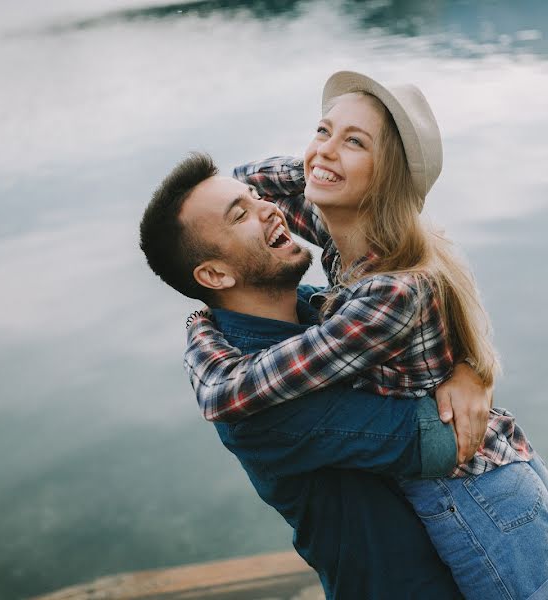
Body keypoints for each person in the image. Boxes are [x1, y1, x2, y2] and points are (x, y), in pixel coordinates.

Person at [183, 71, 548, 600]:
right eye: (322, 131)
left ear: (386, 180)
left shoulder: (390, 293)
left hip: (473, 497)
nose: (325, 149)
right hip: (509, 456)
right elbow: (240, 183)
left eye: (354, 142)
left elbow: (233, 392)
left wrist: (199, 324)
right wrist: (322, 166)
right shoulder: (351, 242)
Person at [140, 152, 498, 598]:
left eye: (256, 198)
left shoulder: (314, 307)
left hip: (457, 562)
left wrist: (470, 368)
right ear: (214, 273)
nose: (269, 208)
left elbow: (425, 304)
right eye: (241, 215)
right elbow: (447, 440)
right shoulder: (259, 407)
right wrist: (466, 373)